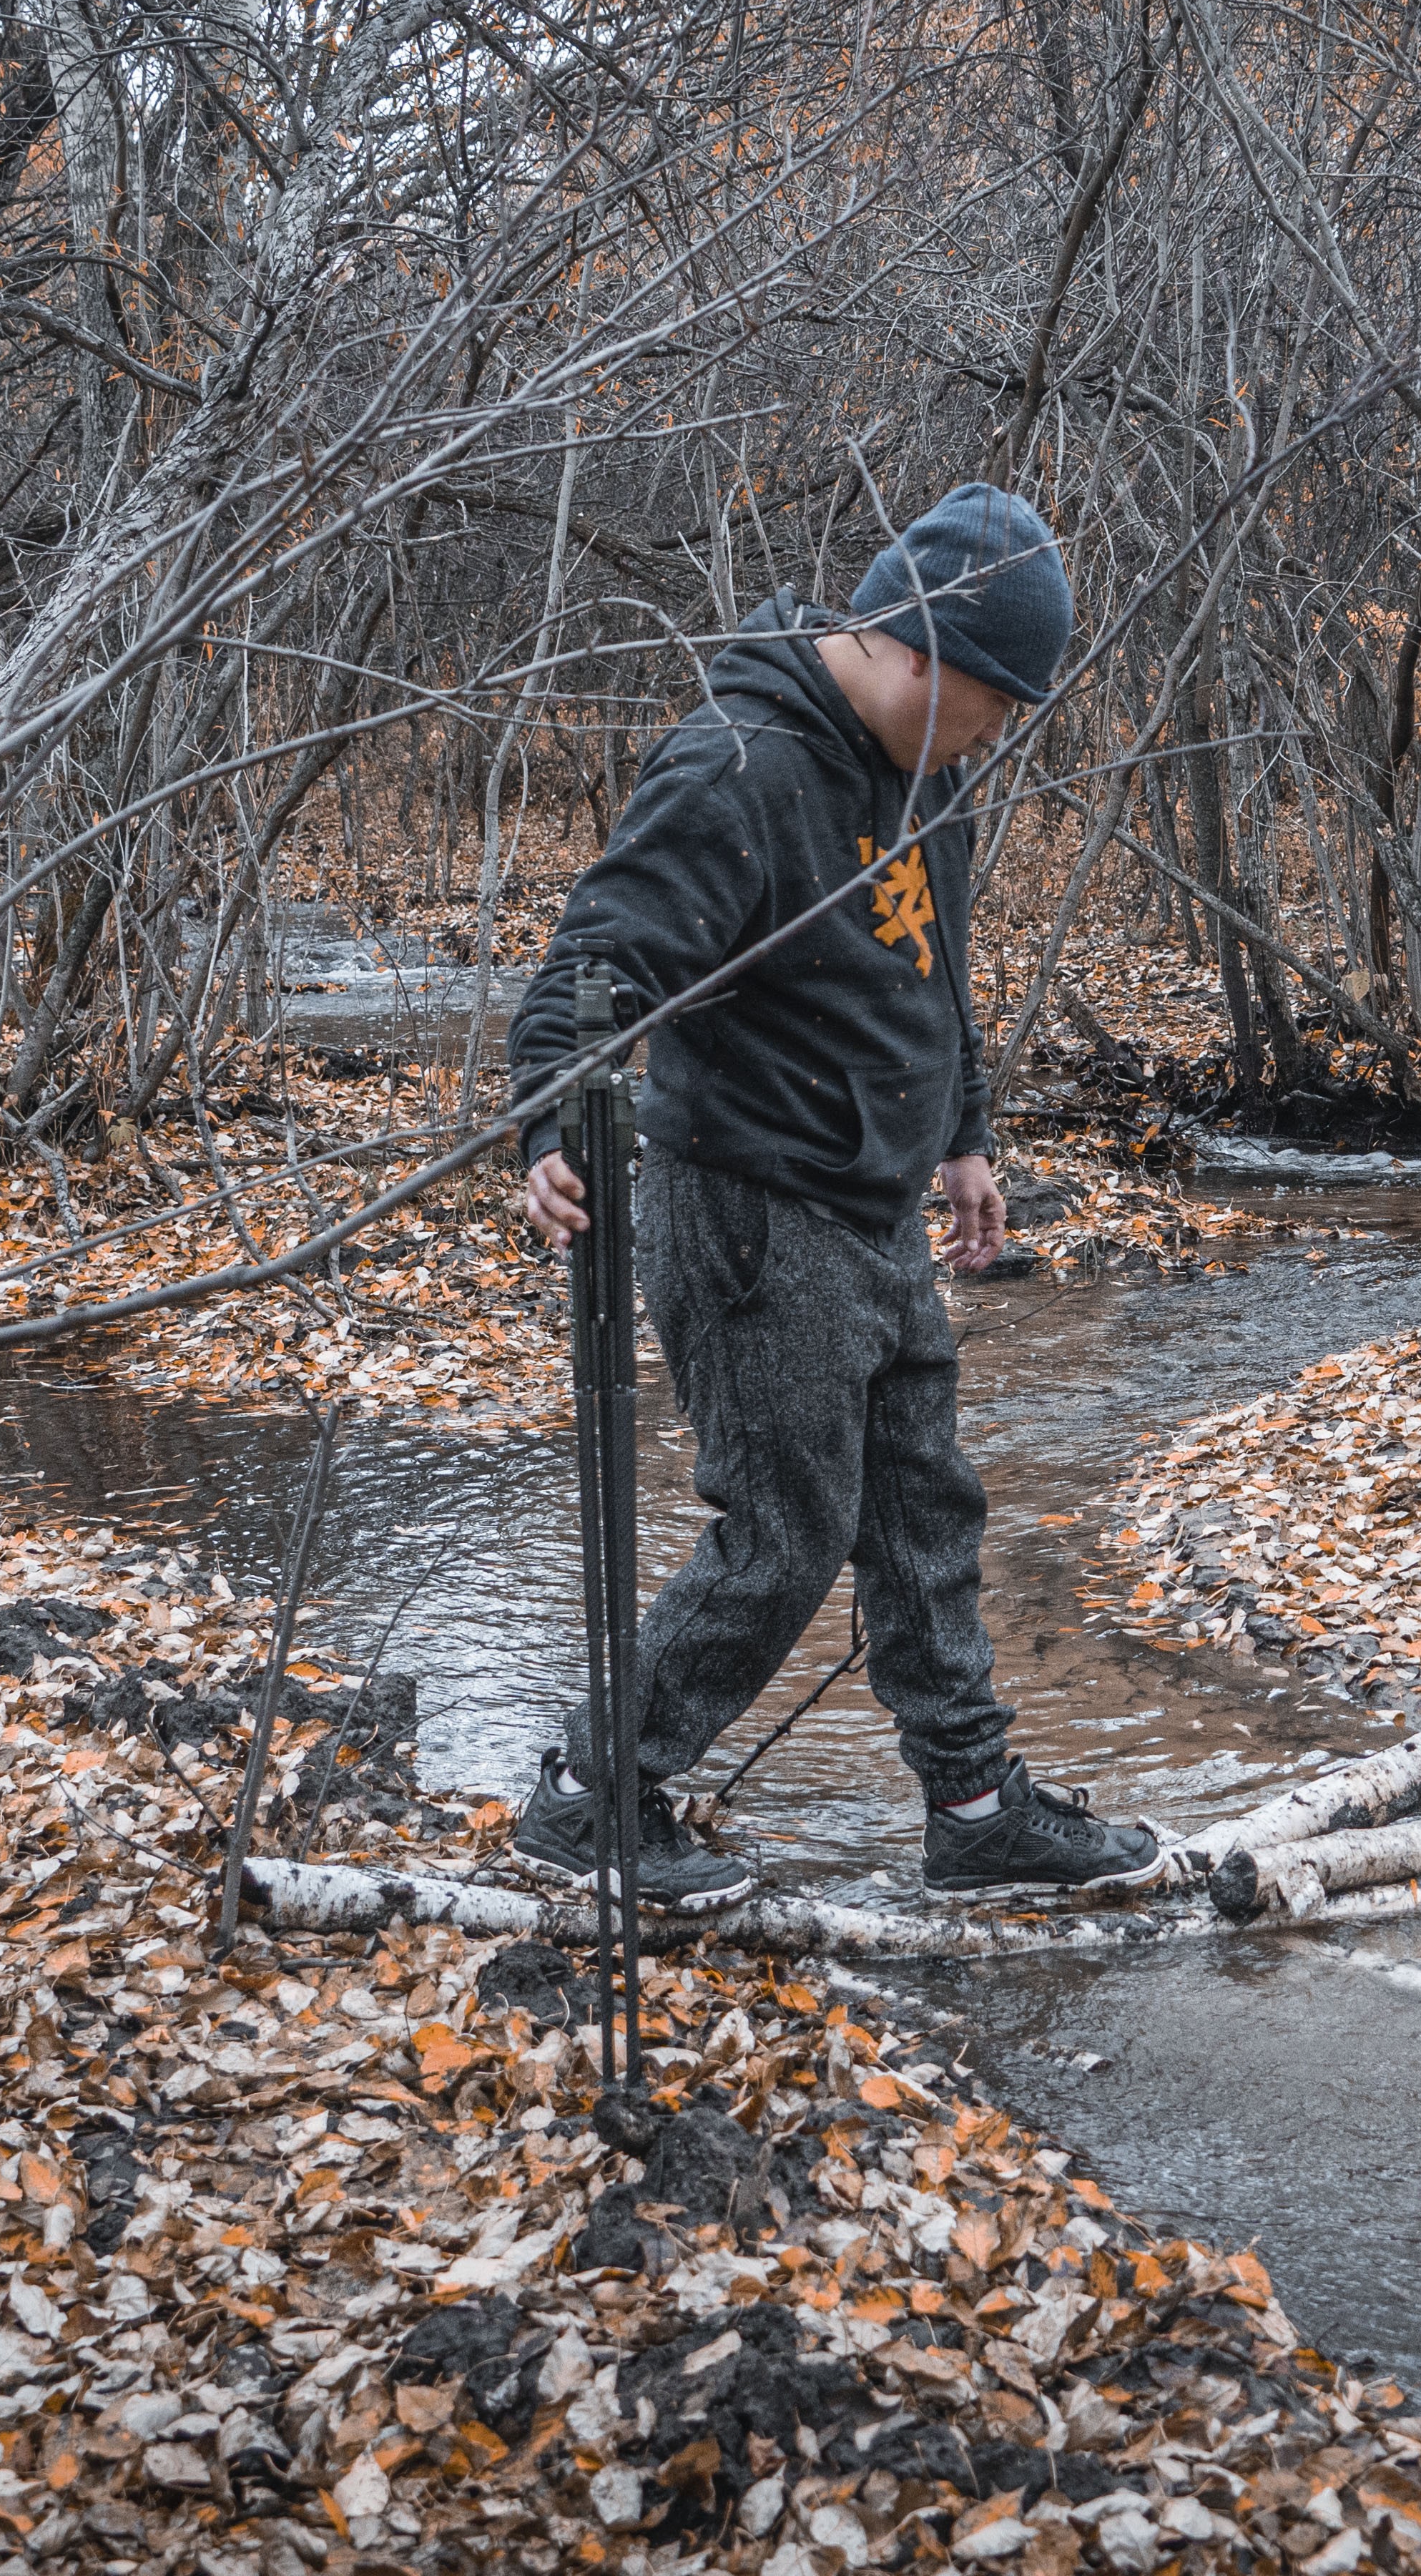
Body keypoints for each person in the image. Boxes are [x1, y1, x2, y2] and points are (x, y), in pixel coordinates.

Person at [499, 484, 1169, 1911]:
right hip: (747, 1205)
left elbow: (930, 979)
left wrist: (965, 1133)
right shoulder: (737, 766)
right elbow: (592, 965)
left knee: (925, 1507)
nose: (999, 736)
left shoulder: (930, 774)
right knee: (785, 1532)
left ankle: (977, 1808)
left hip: (873, 1207)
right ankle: (590, 1793)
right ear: (924, 656)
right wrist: (549, 1120)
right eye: (994, 703)